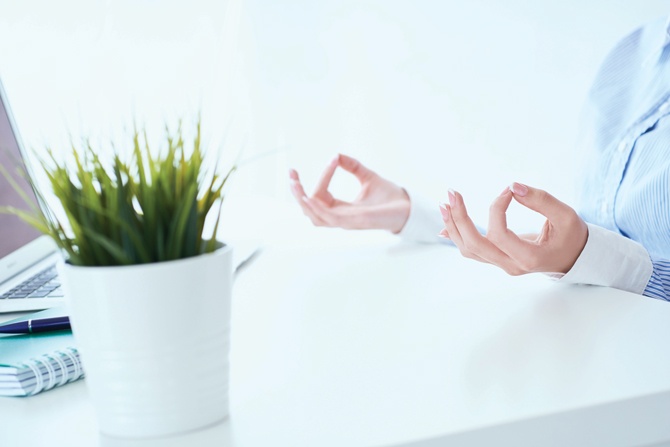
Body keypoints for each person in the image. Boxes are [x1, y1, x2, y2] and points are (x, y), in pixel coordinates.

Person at [289, 15, 670, 302]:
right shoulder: (633, 53)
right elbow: (590, 250)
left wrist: (605, 261)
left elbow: (611, 260)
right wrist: (416, 216)